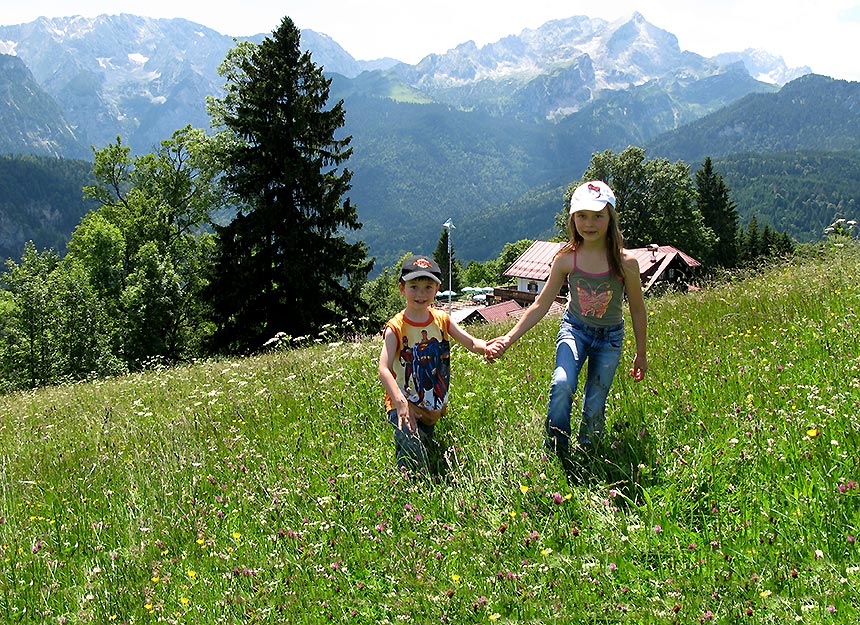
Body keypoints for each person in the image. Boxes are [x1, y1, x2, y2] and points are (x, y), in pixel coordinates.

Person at [486, 180, 648, 467]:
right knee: (562, 383)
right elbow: (541, 304)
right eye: (582, 215)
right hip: (574, 329)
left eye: (598, 215)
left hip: (610, 338)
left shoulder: (626, 263)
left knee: (596, 400)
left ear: (610, 217)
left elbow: (637, 308)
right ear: (572, 219)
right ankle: (557, 448)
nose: (589, 223)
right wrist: (509, 338)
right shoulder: (566, 259)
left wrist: (641, 352)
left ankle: (588, 452)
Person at [378, 255, 487, 474]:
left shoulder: (442, 320)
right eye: (414, 286)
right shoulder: (396, 327)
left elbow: (471, 342)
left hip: (431, 399)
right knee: (412, 456)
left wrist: (488, 347)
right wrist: (400, 402)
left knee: (425, 440)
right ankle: (412, 487)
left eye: (427, 287)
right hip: (404, 401)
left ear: (436, 289)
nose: (420, 294)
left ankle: (423, 446)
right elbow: (383, 368)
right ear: (402, 288)